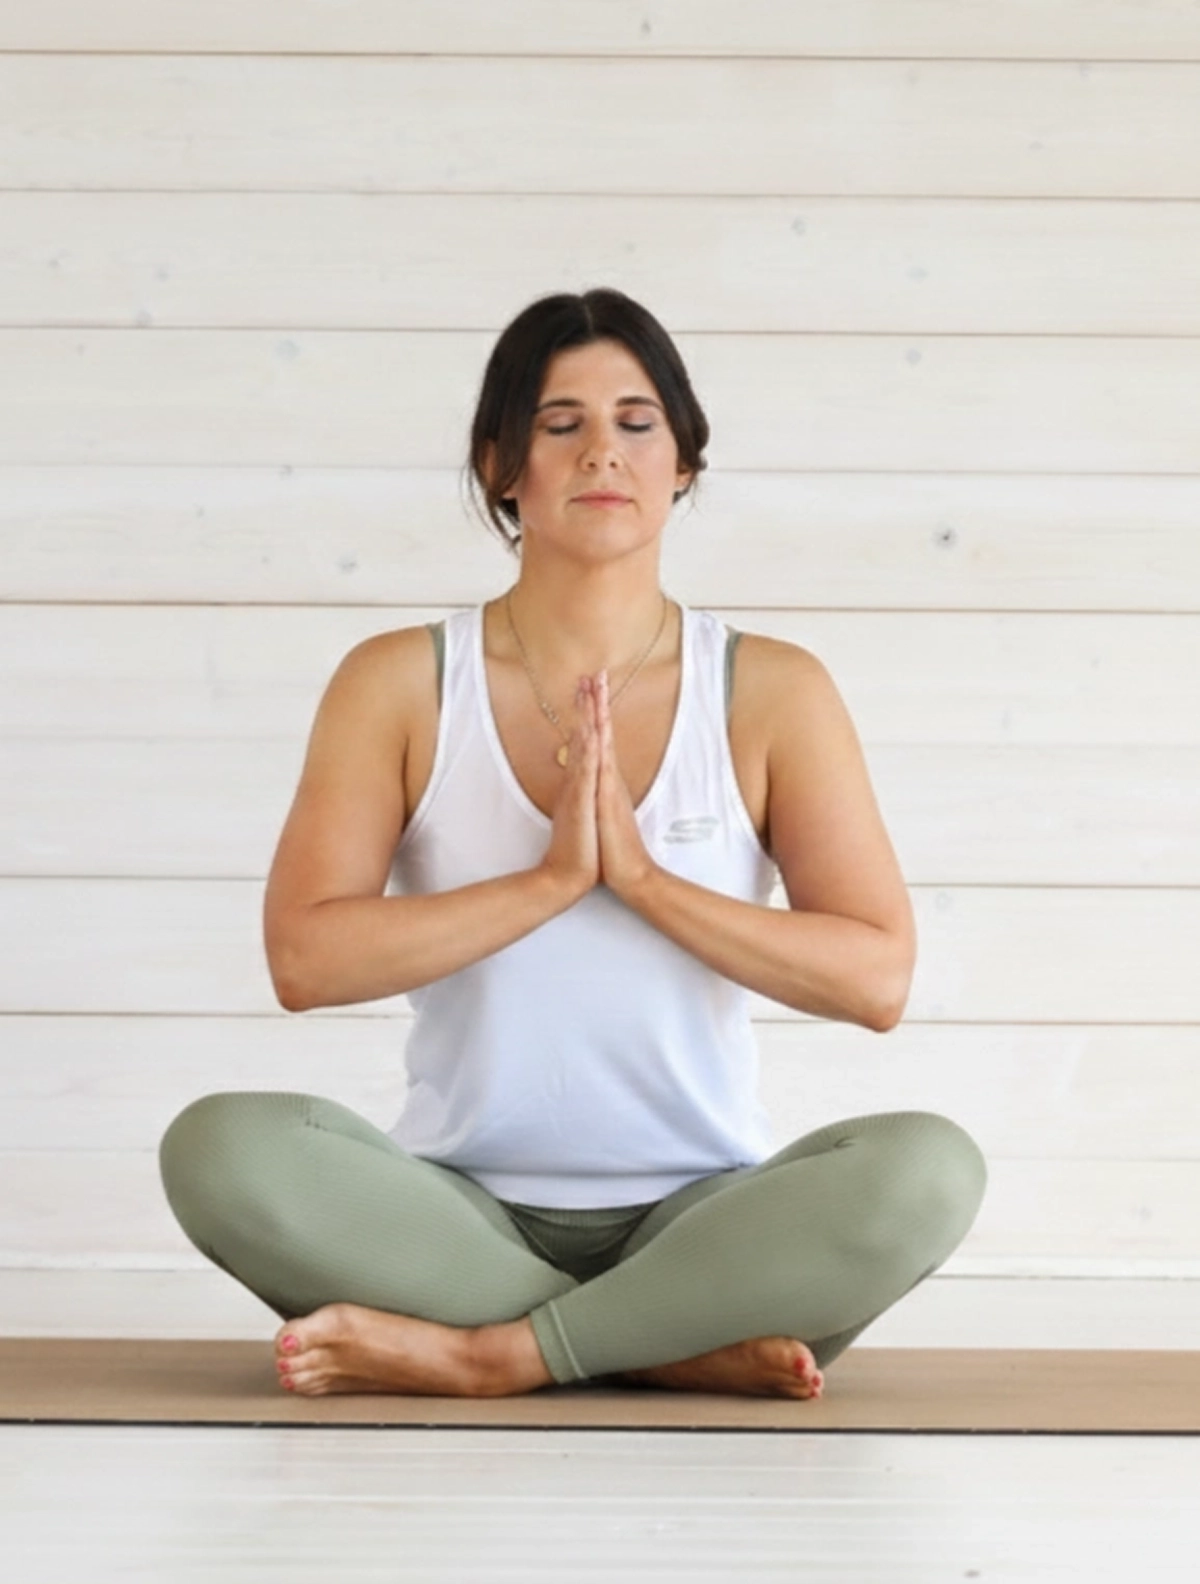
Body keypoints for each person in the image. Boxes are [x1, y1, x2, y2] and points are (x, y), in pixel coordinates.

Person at [158, 287, 987, 1402]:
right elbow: (307, 961)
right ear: (503, 463)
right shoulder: (399, 683)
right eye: (562, 424)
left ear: (683, 462)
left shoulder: (774, 690)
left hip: (705, 1218)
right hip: (452, 1212)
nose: (605, 450)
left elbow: (876, 977)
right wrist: (552, 879)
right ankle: (658, 1344)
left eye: (638, 422)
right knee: (216, 1147)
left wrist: (639, 879)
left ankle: (488, 1353)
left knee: (929, 1171)